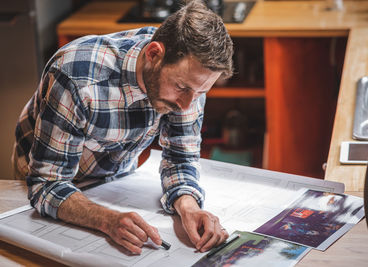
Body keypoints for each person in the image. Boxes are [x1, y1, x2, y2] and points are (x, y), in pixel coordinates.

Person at [12, 0, 233, 255]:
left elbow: (181, 158)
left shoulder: (191, 79)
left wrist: (189, 207)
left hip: (112, 179)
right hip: (43, 175)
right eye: (182, 88)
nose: (186, 106)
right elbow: (46, 184)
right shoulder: (76, 77)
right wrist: (107, 220)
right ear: (153, 54)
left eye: (201, 92)